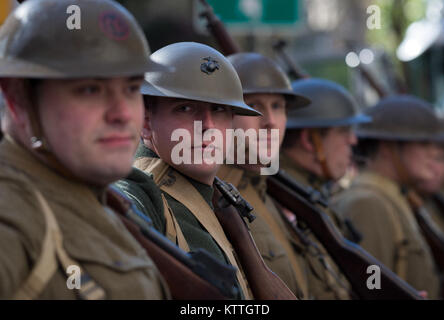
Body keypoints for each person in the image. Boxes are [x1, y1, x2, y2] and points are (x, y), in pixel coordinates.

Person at [0, 0, 169, 299]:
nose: (122, 113)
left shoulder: (93, 198)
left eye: (131, 88)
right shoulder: (11, 217)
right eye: (90, 89)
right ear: (18, 99)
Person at [115, 42, 262, 300]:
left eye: (218, 109)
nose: (207, 126)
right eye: (185, 108)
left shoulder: (221, 198)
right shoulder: (137, 193)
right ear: (146, 122)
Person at [217, 52, 352, 300]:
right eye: (253, 105)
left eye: (277, 107)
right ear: (221, 113)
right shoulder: (217, 196)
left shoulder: (270, 193)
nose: (270, 121)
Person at [332, 95, 442, 299]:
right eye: (423, 142)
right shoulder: (368, 203)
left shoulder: (393, 197)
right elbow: (370, 289)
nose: (434, 152)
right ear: (386, 147)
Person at [280, 78, 371, 241]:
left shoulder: (309, 193)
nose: (353, 140)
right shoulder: (287, 200)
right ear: (309, 140)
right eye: (343, 131)